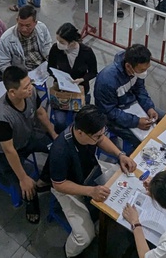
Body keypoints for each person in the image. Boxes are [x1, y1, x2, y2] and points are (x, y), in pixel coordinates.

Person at [50, 105, 136, 258]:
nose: (100, 138)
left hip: (90, 173)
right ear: (80, 133)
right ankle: (69, 253)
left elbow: (102, 140)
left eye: (102, 134)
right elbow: (59, 184)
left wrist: (120, 155)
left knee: (127, 183)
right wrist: (90, 191)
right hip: (69, 187)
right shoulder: (60, 151)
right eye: (96, 136)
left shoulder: (88, 133)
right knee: (85, 237)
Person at [0, 66, 58, 223]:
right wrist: (23, 178)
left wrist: (54, 134)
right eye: (26, 86)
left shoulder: (31, 92)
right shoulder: (2, 115)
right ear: (12, 92)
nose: (31, 88)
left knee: (57, 148)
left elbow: (40, 113)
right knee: (26, 185)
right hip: (8, 152)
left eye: (30, 83)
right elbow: (9, 150)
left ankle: (44, 179)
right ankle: (31, 203)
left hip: (28, 136)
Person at [94, 44, 164, 151]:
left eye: (147, 68)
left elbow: (140, 90)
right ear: (128, 66)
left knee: (164, 118)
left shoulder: (137, 71)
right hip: (112, 116)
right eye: (142, 70)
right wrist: (136, 122)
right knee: (144, 141)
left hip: (131, 104)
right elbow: (109, 111)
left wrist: (149, 107)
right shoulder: (106, 81)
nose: (144, 72)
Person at [47, 23, 97, 132]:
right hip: (61, 90)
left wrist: (82, 79)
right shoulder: (56, 49)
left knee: (79, 121)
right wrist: (57, 77)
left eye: (62, 42)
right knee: (60, 121)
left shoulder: (86, 52)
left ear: (72, 42)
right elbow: (50, 67)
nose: (59, 44)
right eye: (58, 40)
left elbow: (93, 72)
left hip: (80, 89)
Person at [0, 5, 52, 72]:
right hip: (23, 73)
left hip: (42, 67)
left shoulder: (42, 27)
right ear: (17, 20)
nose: (24, 29)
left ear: (35, 23)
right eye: (21, 24)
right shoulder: (5, 39)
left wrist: (49, 59)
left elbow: (47, 44)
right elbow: (3, 64)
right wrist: (19, 78)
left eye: (28, 26)